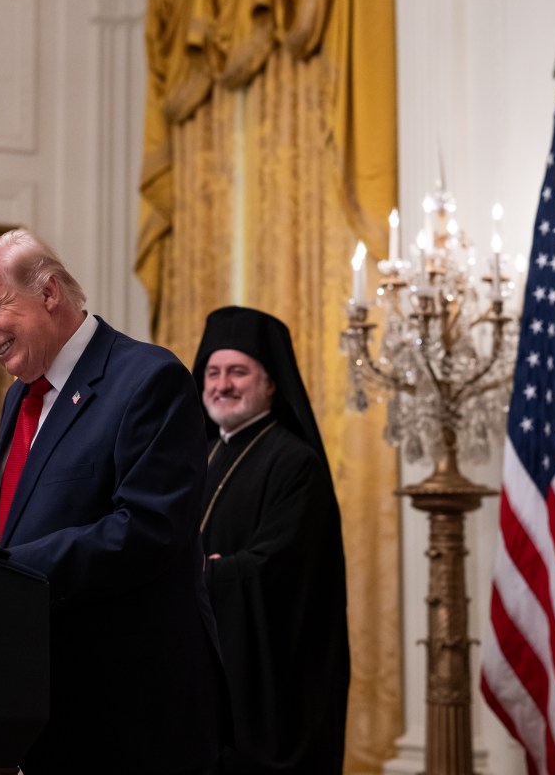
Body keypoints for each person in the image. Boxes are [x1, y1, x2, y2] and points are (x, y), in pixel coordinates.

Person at [0, 229, 222, 774]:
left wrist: (1, 573)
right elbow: (10, 529)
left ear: (48, 292)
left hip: (130, 710)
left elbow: (148, 528)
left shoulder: (148, 378)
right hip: (42, 705)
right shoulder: (20, 398)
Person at [192, 306, 351, 774]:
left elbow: (280, 569)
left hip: (268, 684)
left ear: (271, 383)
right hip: (205, 669)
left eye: (238, 372)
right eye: (213, 372)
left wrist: (205, 574)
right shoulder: (201, 456)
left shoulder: (294, 462)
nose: (222, 385)